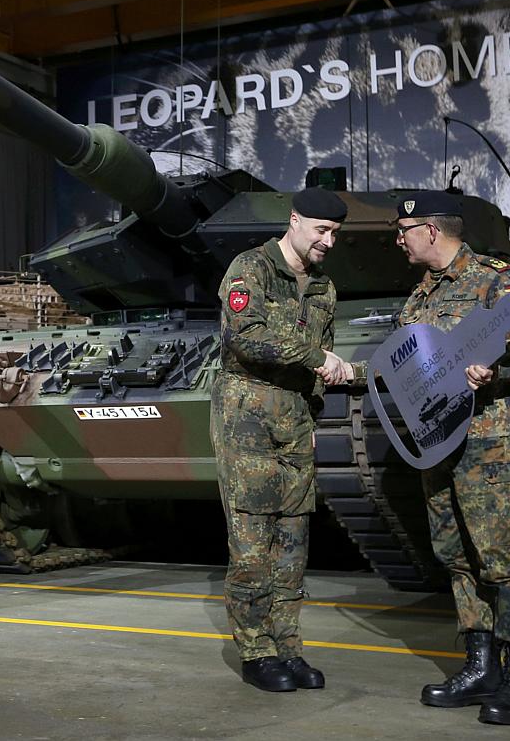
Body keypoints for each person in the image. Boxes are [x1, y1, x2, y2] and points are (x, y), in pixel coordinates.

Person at [342, 190, 510, 725]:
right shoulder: (421, 296)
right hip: (437, 440)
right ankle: (481, 667)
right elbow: (404, 361)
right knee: (455, 554)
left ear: (431, 230)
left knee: (501, 559)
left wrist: (495, 371)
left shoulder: (493, 279)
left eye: (404, 230)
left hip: (485, 437)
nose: (398, 239)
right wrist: (353, 373)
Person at [209, 187, 348, 693]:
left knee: (292, 547)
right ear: (294, 220)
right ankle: (256, 651)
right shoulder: (251, 269)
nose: (328, 242)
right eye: (321, 230)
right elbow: (245, 336)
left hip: (294, 423)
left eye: (335, 233)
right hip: (248, 417)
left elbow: (321, 368)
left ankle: (288, 648)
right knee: (252, 548)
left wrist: (312, 418)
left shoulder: (324, 288)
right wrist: (317, 359)